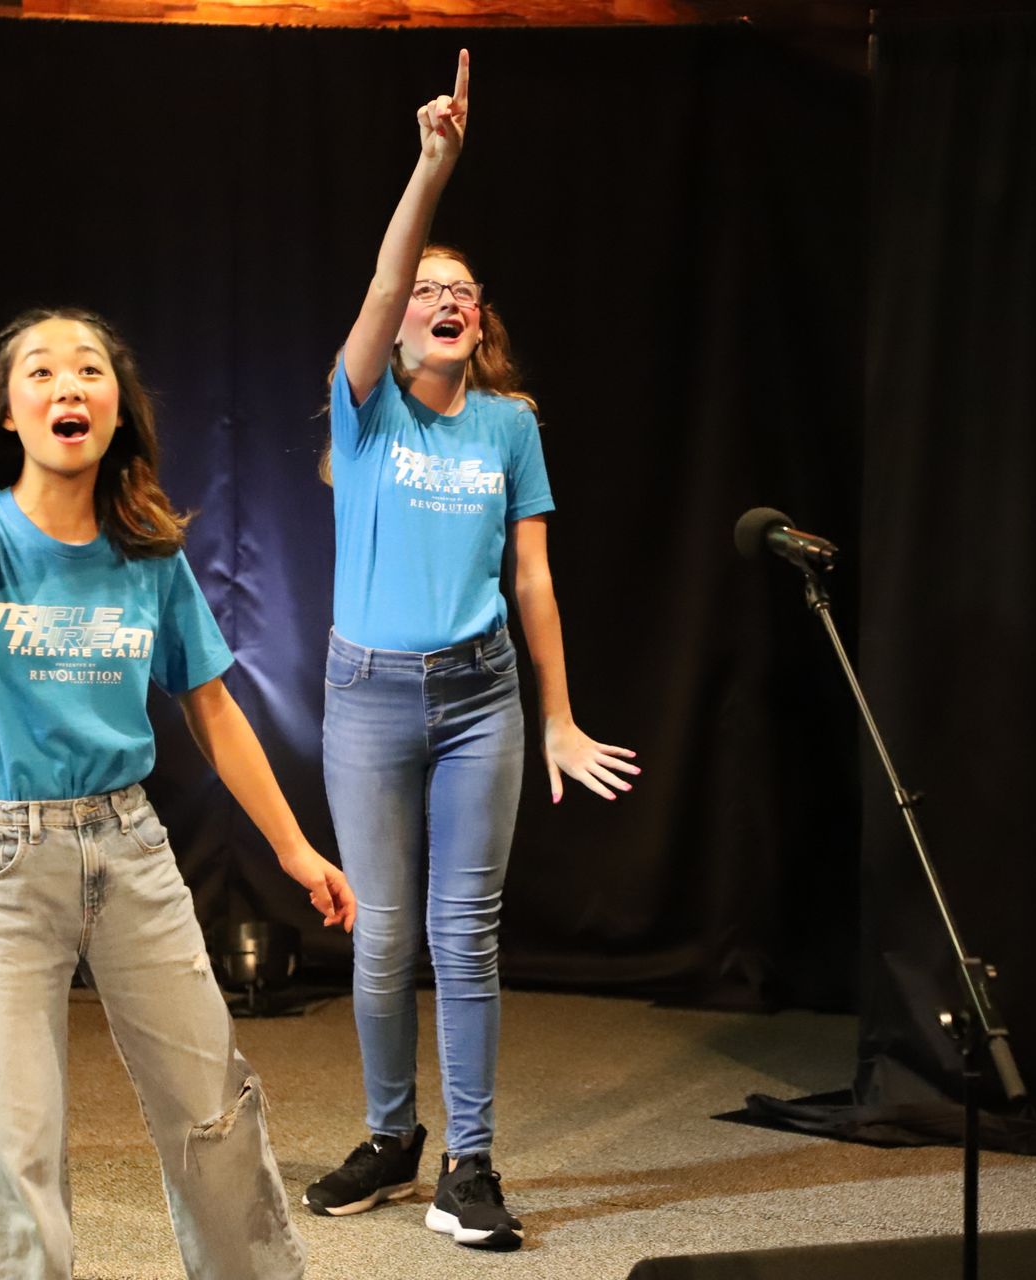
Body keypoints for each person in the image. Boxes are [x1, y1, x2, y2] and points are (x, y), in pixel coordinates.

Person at [0, 307, 354, 1280]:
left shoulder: (149, 553)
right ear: (6, 409)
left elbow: (213, 710)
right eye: (39, 370)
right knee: (19, 1145)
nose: (67, 385)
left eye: (89, 369)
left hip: (131, 848)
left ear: (118, 410)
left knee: (212, 1108)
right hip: (4, 860)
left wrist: (295, 848)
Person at [302, 49, 639, 1251]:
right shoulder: (365, 404)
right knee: (385, 933)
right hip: (369, 697)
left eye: (467, 291)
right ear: (400, 324)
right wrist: (432, 168)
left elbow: (533, 574)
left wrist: (557, 713)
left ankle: (473, 1163)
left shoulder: (509, 426)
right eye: (428, 290)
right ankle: (393, 1136)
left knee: (466, 932)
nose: (447, 298)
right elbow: (392, 268)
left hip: (482, 697)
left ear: (481, 323)